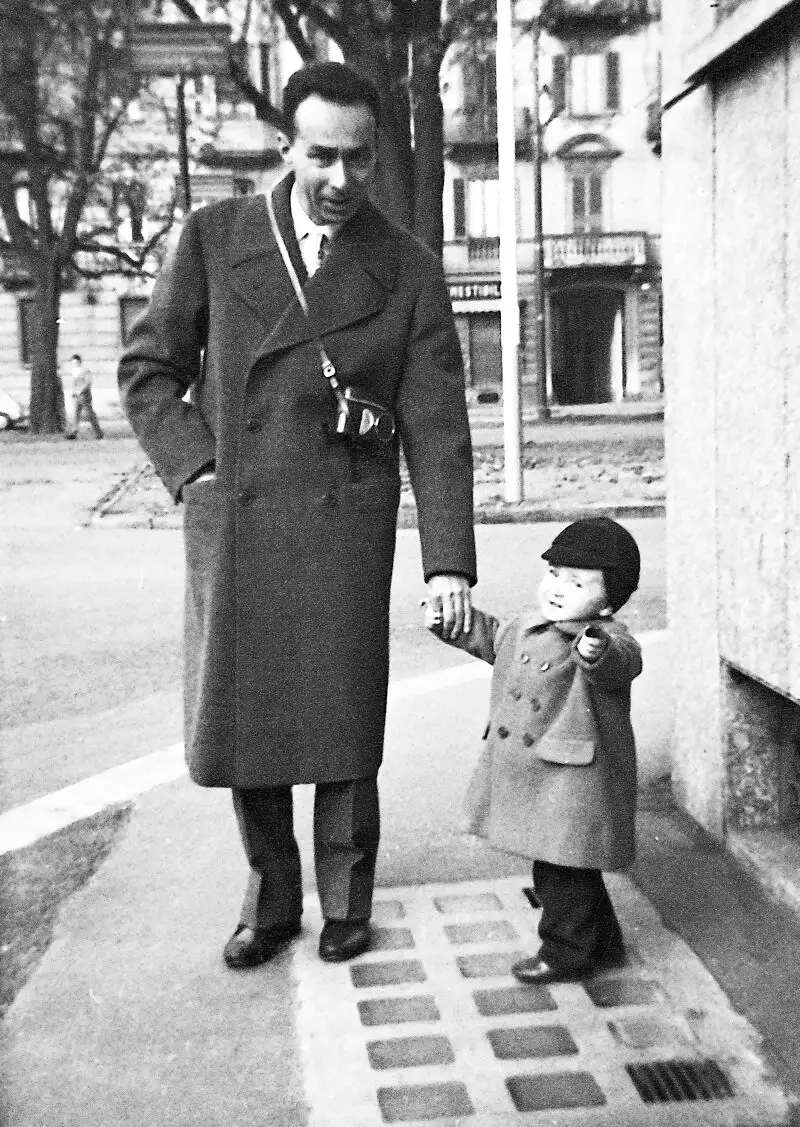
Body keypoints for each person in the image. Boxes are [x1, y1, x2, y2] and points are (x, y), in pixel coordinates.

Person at [118, 62, 477, 969]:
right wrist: (197, 468)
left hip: (344, 521)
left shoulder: (407, 267)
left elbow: (437, 427)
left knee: (347, 720)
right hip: (238, 515)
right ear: (288, 146)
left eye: (359, 158)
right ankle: (273, 895)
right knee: (255, 716)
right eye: (323, 157)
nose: (343, 180)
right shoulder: (215, 236)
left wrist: (448, 563)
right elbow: (149, 371)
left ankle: (347, 899)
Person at [425, 517, 642, 984]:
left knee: (563, 869)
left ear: (608, 601)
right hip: (538, 771)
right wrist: (450, 625)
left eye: (578, 582)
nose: (559, 588)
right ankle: (602, 941)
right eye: (553, 574)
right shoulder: (527, 627)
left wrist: (595, 650)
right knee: (567, 866)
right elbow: (490, 638)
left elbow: (621, 663)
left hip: (573, 777)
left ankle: (567, 953)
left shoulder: (607, 638)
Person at [65, 354, 104, 439]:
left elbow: (87, 383)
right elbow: (74, 384)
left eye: (75, 362)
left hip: (84, 396)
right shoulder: (73, 371)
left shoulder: (85, 371)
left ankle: (99, 433)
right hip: (76, 396)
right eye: (73, 362)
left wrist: (80, 391)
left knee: (90, 414)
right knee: (76, 414)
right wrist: (74, 392)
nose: (74, 364)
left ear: (79, 362)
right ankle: (73, 432)